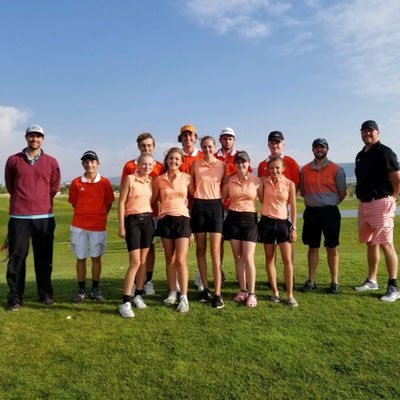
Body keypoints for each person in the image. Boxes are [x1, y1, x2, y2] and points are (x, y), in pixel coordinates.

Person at [4, 124, 60, 310]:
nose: (34, 139)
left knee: (44, 258)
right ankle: (15, 297)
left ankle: (45, 294)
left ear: (42, 139)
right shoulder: (13, 160)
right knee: (17, 257)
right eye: (31, 136)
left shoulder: (51, 162)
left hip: (44, 216)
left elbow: (53, 187)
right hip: (20, 217)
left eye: (38, 136)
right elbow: (11, 186)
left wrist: (41, 201)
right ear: (26, 138)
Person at [354, 120, 400, 302]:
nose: (367, 134)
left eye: (370, 131)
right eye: (364, 131)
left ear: (378, 133)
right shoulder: (361, 155)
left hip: (381, 201)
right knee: (371, 243)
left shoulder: (385, 152)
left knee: (386, 244)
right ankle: (372, 280)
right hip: (364, 203)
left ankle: (393, 286)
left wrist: (393, 197)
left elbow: (396, 178)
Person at [300, 139, 347, 294]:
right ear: (312, 149)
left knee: (331, 247)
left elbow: (342, 193)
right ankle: (311, 280)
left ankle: (334, 281)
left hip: (330, 212)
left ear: (327, 149)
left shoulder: (336, 169)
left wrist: (329, 203)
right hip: (312, 212)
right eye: (316, 147)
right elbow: (303, 191)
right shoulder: (305, 169)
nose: (319, 149)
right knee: (312, 247)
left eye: (322, 147)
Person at [68, 151, 115, 303]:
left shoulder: (105, 182)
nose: (89, 164)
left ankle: (95, 288)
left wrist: (98, 216)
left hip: (98, 226)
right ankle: (81, 289)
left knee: (96, 258)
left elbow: (108, 203)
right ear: (83, 164)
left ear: (98, 164)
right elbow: (75, 203)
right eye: (86, 162)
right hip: (79, 225)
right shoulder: (76, 183)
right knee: (80, 258)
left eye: (92, 161)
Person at [121, 132, 164, 295]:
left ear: (153, 147)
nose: (146, 147)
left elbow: (161, 190)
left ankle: (148, 281)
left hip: (151, 214)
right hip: (133, 214)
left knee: (149, 249)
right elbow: (125, 195)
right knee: (135, 254)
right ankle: (133, 284)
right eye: (143, 145)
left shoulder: (159, 166)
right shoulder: (130, 166)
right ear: (138, 147)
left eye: (149, 145)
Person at [152, 147, 194, 312]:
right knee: (170, 259)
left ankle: (184, 296)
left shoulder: (187, 178)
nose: (173, 161)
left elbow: (192, 199)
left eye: (177, 159)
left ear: (181, 162)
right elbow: (153, 200)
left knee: (181, 260)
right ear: (166, 161)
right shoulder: (159, 180)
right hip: (165, 220)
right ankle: (172, 292)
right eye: (171, 158)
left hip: (183, 220)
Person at [222, 151, 262, 307]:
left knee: (248, 257)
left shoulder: (257, 181)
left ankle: (252, 293)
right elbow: (222, 200)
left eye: (244, 162)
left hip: (250, 220)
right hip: (233, 219)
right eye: (238, 162)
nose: (241, 165)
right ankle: (243, 290)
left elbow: (265, 200)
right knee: (238, 257)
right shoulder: (230, 181)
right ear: (235, 164)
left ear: (249, 162)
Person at [190, 136, 226, 308]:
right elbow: (190, 183)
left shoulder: (222, 165)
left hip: (215, 206)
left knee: (215, 251)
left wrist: (220, 200)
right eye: (204, 147)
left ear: (215, 147)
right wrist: (196, 194)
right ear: (201, 147)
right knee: (201, 248)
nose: (207, 149)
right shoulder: (195, 164)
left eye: (210, 146)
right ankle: (205, 288)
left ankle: (217, 293)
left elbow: (225, 184)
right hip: (199, 205)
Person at [118, 153, 155, 318]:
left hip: (147, 221)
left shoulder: (151, 181)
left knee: (143, 262)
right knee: (135, 262)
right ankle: (126, 301)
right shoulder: (130, 179)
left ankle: (138, 294)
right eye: (144, 164)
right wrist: (121, 225)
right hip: (132, 221)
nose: (147, 167)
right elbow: (121, 203)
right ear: (138, 165)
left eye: (150, 165)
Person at [259, 156, 298, 307]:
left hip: (283, 224)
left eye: (277, 168)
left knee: (287, 260)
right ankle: (275, 291)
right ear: (268, 169)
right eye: (271, 168)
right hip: (266, 223)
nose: (274, 171)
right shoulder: (264, 182)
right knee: (270, 258)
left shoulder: (289, 184)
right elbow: (260, 198)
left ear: (283, 169)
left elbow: (293, 207)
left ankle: (290, 294)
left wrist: (293, 227)